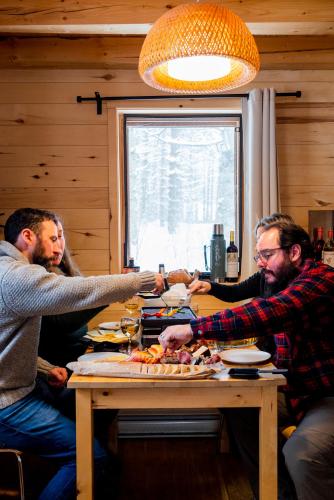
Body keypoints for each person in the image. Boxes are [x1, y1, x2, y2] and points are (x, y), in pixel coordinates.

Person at [160, 221, 334, 500]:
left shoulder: (320, 280)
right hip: (295, 388)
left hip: (325, 394)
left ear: (295, 252)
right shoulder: (282, 279)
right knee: (237, 402)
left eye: (267, 255)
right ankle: (277, 492)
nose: (261, 263)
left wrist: (193, 328)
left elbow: (268, 312)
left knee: (303, 454)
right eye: (258, 256)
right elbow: (256, 311)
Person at [0, 207, 164, 500]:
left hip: (19, 390)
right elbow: (75, 292)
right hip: (7, 405)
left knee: (91, 409)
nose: (59, 245)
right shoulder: (14, 276)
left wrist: (43, 367)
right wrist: (144, 280)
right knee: (89, 456)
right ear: (27, 237)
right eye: (53, 237)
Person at [188, 212, 294, 356]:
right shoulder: (266, 274)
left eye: (268, 252)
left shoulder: (300, 284)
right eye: (258, 244)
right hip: (268, 354)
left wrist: (197, 328)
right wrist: (210, 286)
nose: (260, 261)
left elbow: (259, 313)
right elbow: (235, 293)